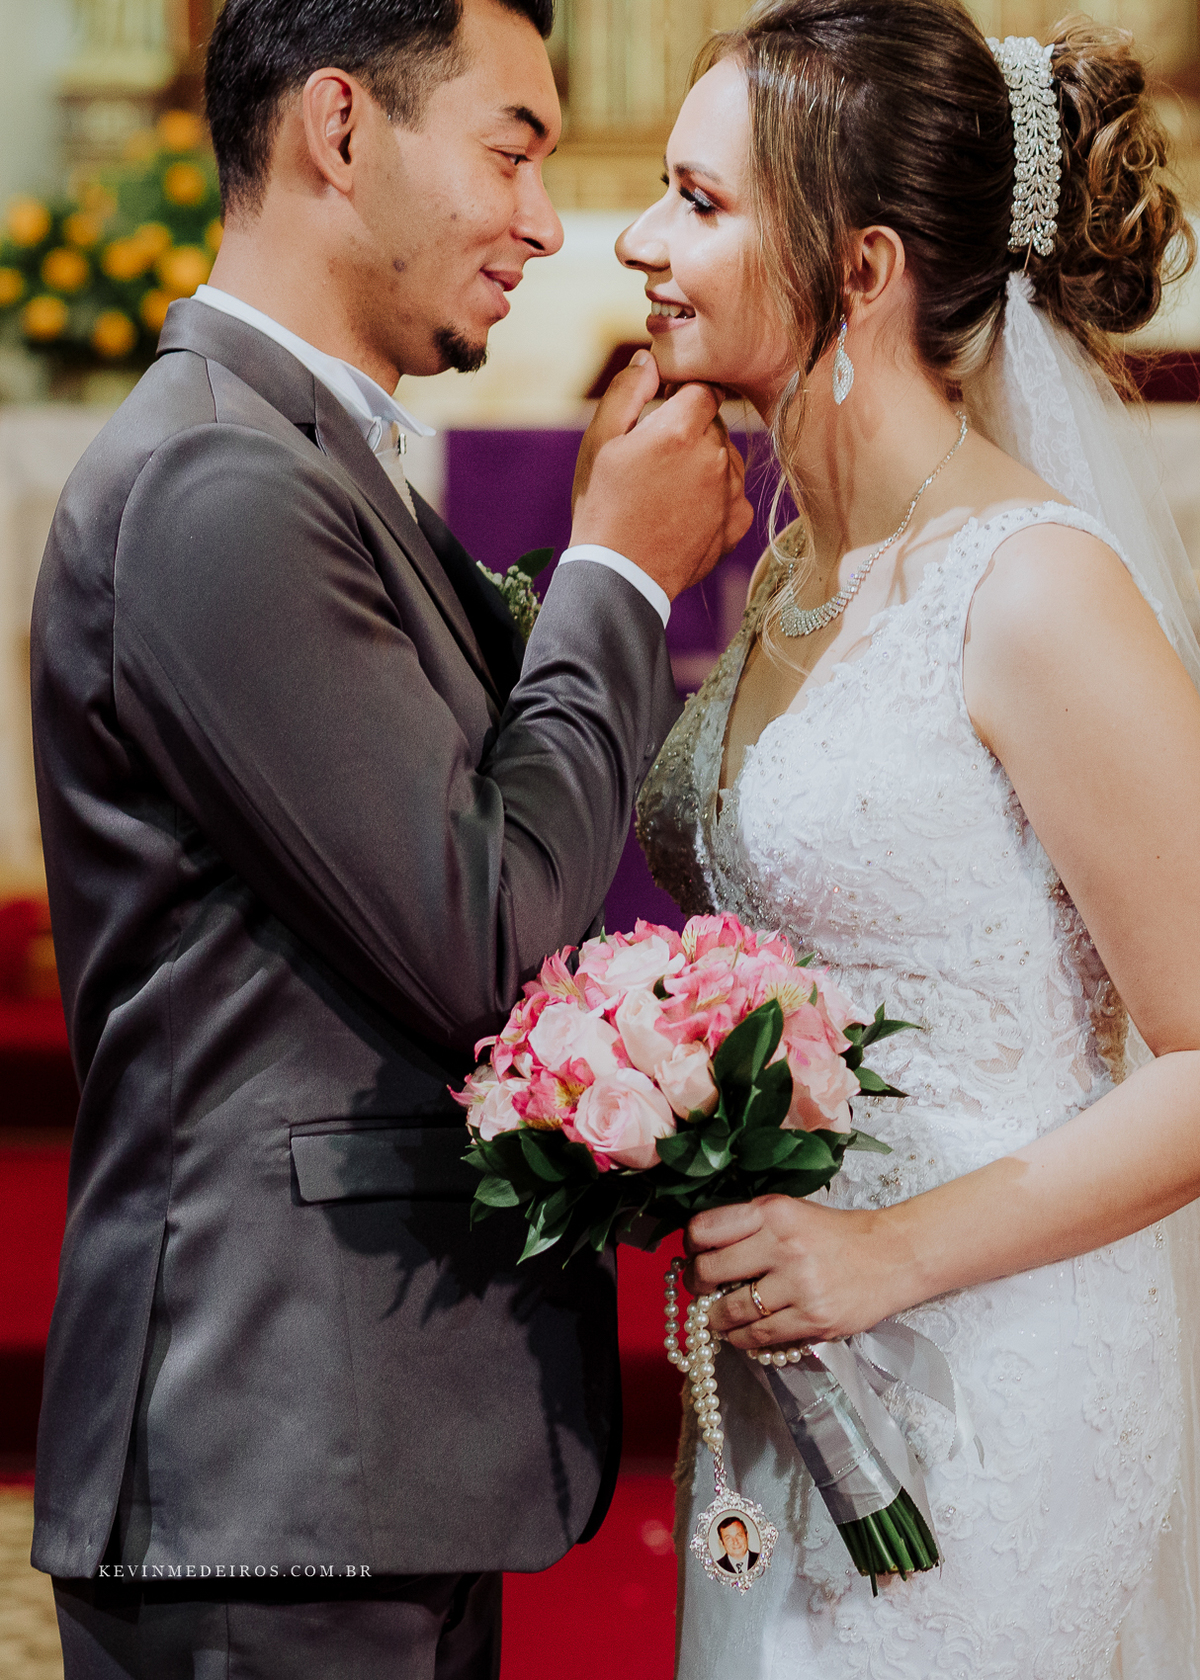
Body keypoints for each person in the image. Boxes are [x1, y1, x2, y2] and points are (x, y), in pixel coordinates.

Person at [30, 0, 752, 1674]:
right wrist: (623, 576)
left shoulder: (303, 457)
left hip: (339, 1453)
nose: (545, 223)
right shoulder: (222, 485)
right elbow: (478, 932)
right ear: (339, 131)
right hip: (274, 1448)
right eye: (512, 149)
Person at [624, 1, 1200, 1674]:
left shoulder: (1031, 585)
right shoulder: (799, 566)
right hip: (786, 1377)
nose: (644, 248)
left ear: (860, 268)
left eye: (701, 201)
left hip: (981, 1378)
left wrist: (885, 1252)